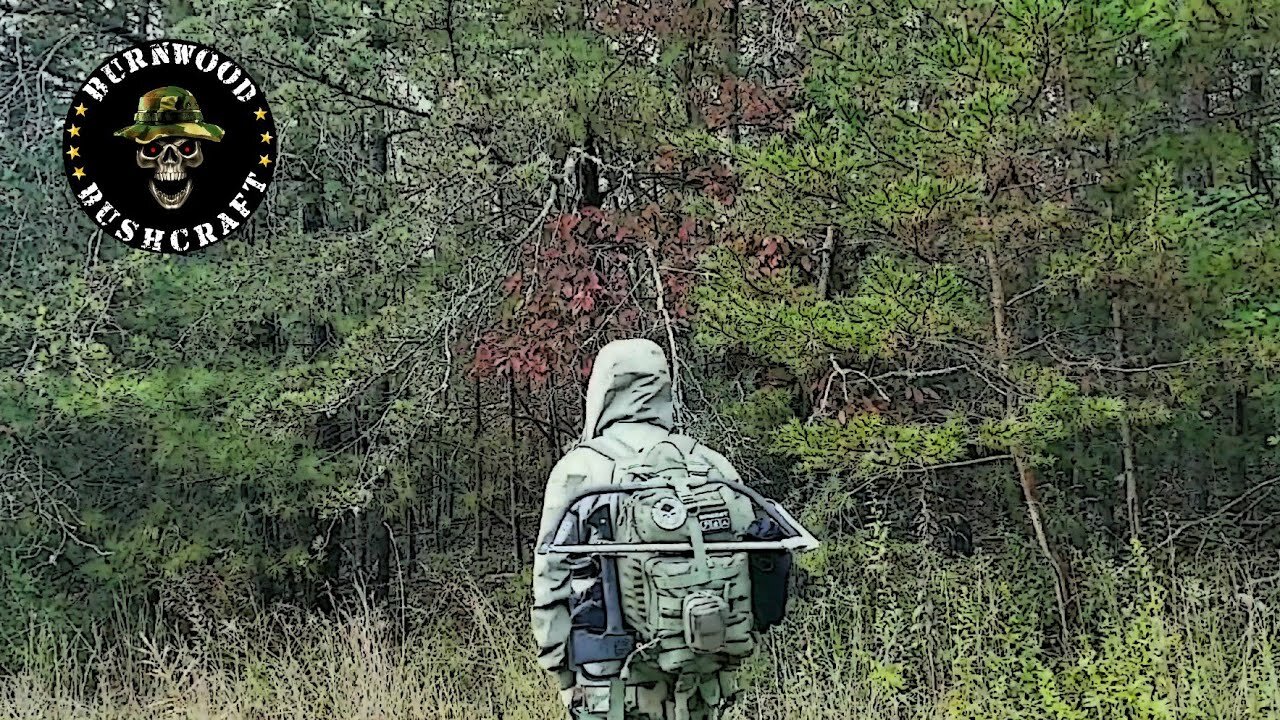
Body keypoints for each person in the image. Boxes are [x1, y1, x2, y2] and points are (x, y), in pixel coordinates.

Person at [531, 338, 745, 720]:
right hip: (700, 677)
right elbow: (757, 562)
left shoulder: (580, 470)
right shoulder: (709, 464)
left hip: (610, 682)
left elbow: (551, 579)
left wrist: (562, 672)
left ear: (603, 388)